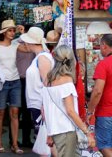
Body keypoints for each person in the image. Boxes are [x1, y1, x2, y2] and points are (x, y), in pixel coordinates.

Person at [0, 19, 37, 154]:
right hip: (1, 82)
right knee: (0, 113)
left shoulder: (15, 44)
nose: (12, 33)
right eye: (10, 31)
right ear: (4, 32)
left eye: (13, 30)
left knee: (14, 113)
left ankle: (14, 144)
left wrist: (23, 33)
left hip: (15, 81)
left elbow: (28, 48)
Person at [42, 46, 95, 157]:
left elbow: (44, 109)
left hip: (57, 130)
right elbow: (70, 111)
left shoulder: (48, 79)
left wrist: (50, 132)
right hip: (66, 130)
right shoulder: (67, 80)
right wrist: (87, 132)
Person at [24, 28, 56, 156]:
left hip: (40, 104)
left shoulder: (42, 58)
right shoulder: (40, 57)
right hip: (38, 103)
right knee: (44, 141)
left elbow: (47, 83)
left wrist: (45, 106)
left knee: (45, 142)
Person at [15, 24, 38, 147]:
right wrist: (21, 35)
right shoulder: (16, 43)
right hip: (18, 80)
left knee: (28, 111)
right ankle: (13, 141)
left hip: (30, 81)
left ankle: (26, 139)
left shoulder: (34, 47)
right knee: (16, 111)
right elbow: (17, 44)